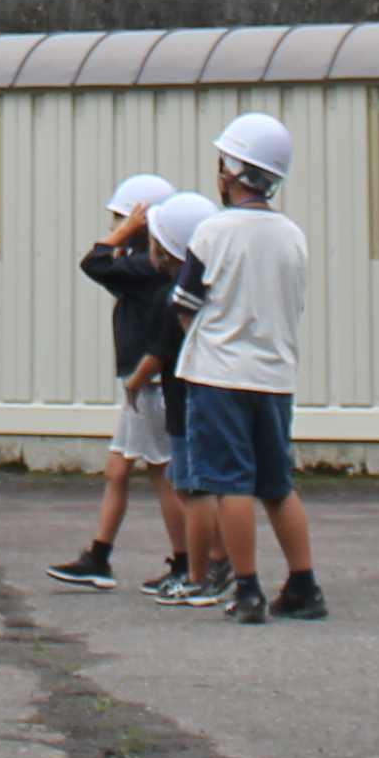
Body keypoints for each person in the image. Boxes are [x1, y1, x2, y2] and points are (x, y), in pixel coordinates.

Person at [174, 112, 322, 626]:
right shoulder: (293, 235)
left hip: (219, 375)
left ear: (232, 170)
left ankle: (248, 588)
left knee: (230, 483)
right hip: (275, 376)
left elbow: (185, 302)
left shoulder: (212, 231)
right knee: (277, 484)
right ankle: (303, 584)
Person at [44, 170, 186, 591]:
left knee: (162, 473)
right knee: (118, 469)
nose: (113, 228)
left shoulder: (147, 266)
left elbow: (95, 261)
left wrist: (126, 231)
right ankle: (99, 556)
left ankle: (185, 560)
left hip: (148, 385)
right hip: (138, 384)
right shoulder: (143, 266)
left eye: (122, 218)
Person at [137, 192, 229, 601]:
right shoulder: (217, 288)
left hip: (182, 406)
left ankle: (198, 573)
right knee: (220, 485)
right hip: (217, 397)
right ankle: (222, 561)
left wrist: (132, 381)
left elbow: (157, 355)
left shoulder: (169, 296)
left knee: (193, 489)